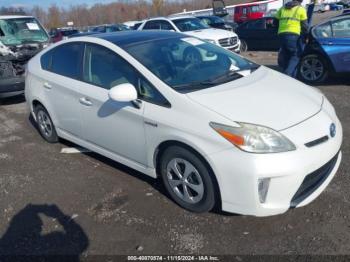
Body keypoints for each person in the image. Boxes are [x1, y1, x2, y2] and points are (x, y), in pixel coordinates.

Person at [275, 0, 308, 77]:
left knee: (286, 55)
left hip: (281, 34)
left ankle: (291, 77)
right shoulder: (300, 9)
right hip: (293, 34)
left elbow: (275, 22)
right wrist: (306, 36)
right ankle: (287, 74)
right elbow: (305, 26)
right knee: (295, 55)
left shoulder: (282, 8)